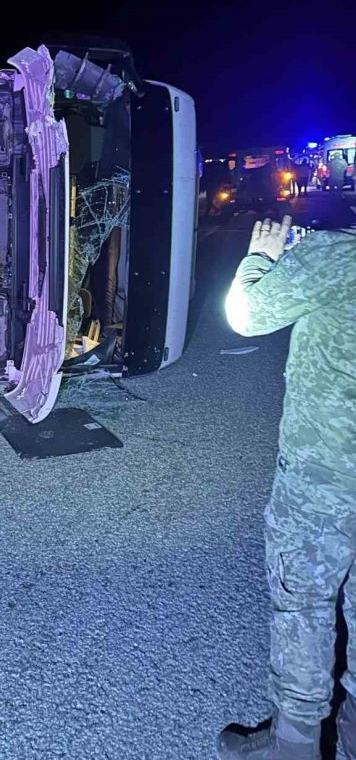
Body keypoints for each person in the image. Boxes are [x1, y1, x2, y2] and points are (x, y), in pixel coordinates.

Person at [218, 215, 356, 759]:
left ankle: (294, 746)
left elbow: (246, 316)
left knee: (305, 604)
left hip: (326, 477)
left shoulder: (338, 255)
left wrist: (262, 259)